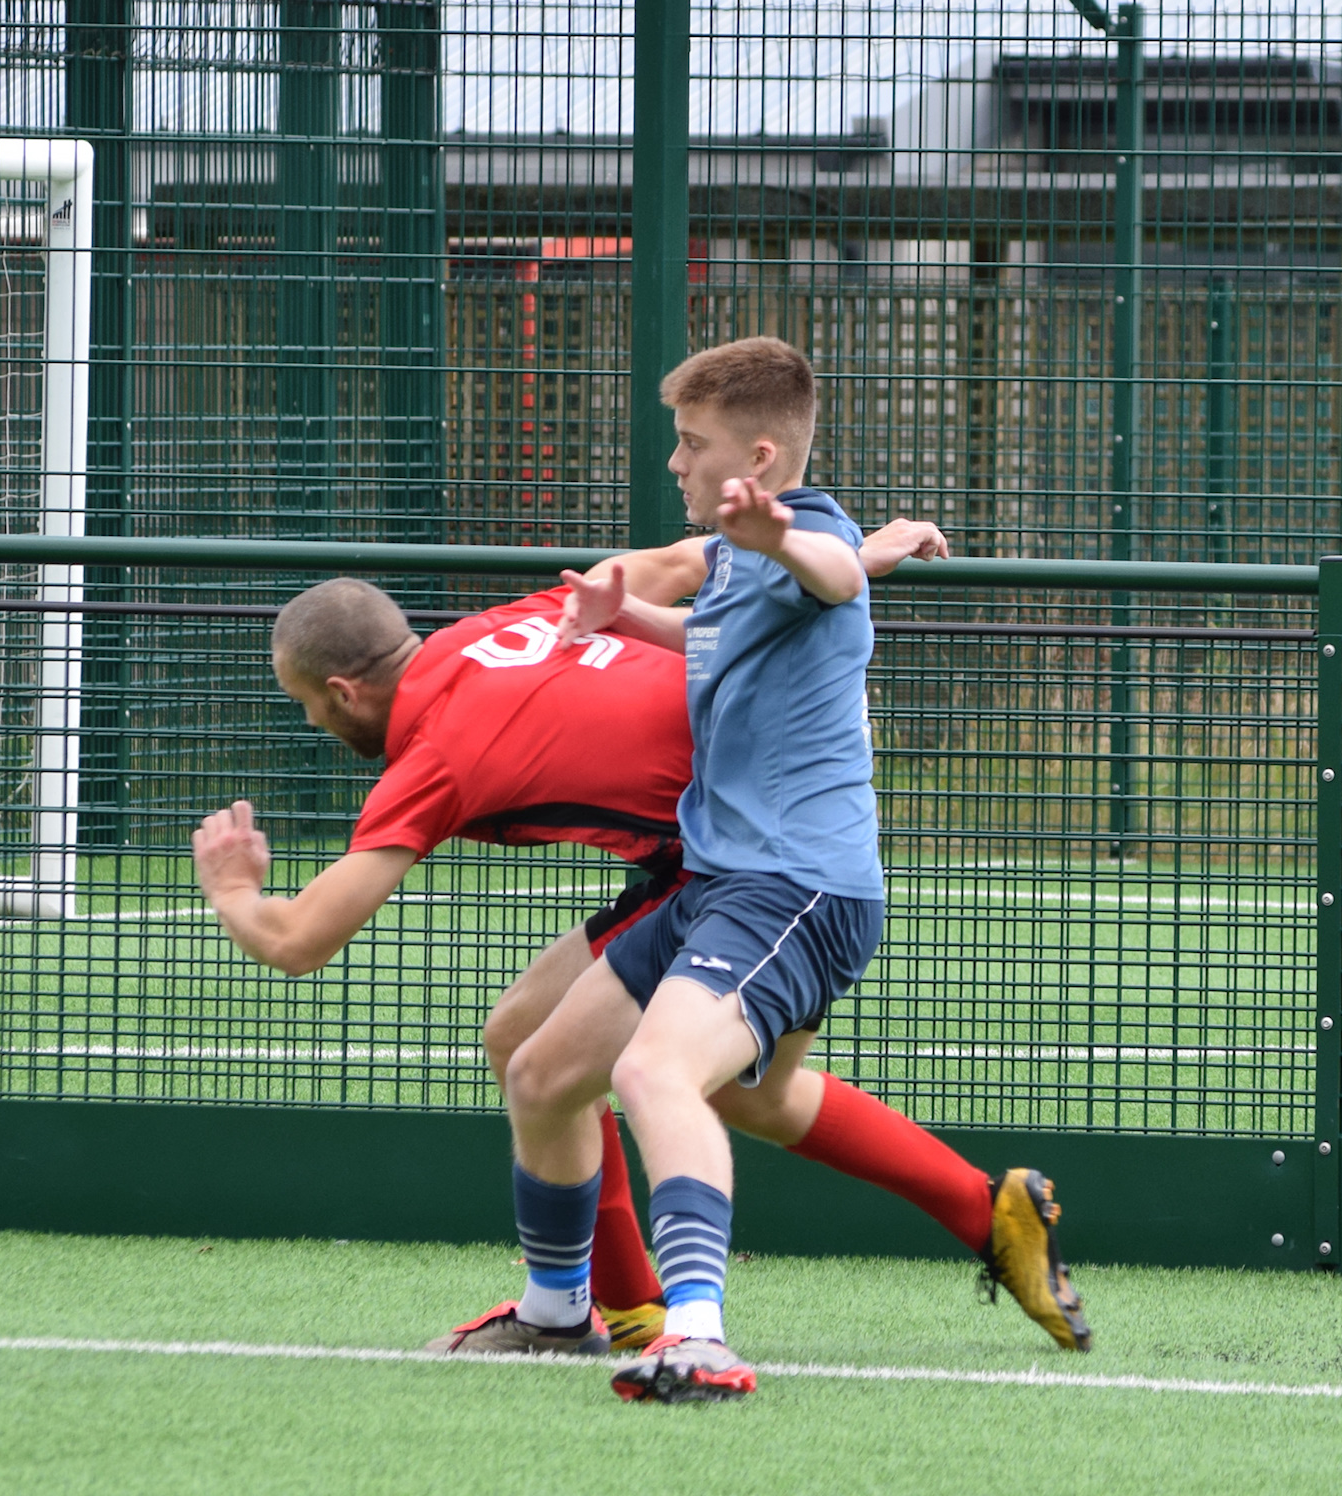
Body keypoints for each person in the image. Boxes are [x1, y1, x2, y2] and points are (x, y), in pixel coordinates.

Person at [190, 512, 1087, 1361]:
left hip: (759, 860)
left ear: (343, 689)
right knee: (555, 1053)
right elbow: (701, 559)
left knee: (690, 1082)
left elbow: (304, 939)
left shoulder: (435, 755)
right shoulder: (511, 619)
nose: (311, 722)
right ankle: (605, 1305)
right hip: (730, 841)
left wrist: (234, 892)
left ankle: (632, 1310)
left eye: (306, 703)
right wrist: (854, 552)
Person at [463, 336, 1086, 1403]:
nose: (673, 462)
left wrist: (790, 534)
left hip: (796, 889)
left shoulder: (804, 535)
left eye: (689, 444)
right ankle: (561, 1309)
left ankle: (696, 1335)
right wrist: (630, 620)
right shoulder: (735, 560)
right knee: (543, 1068)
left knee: (656, 1073)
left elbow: (837, 576)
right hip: (719, 882)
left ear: (754, 455)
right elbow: (720, 633)